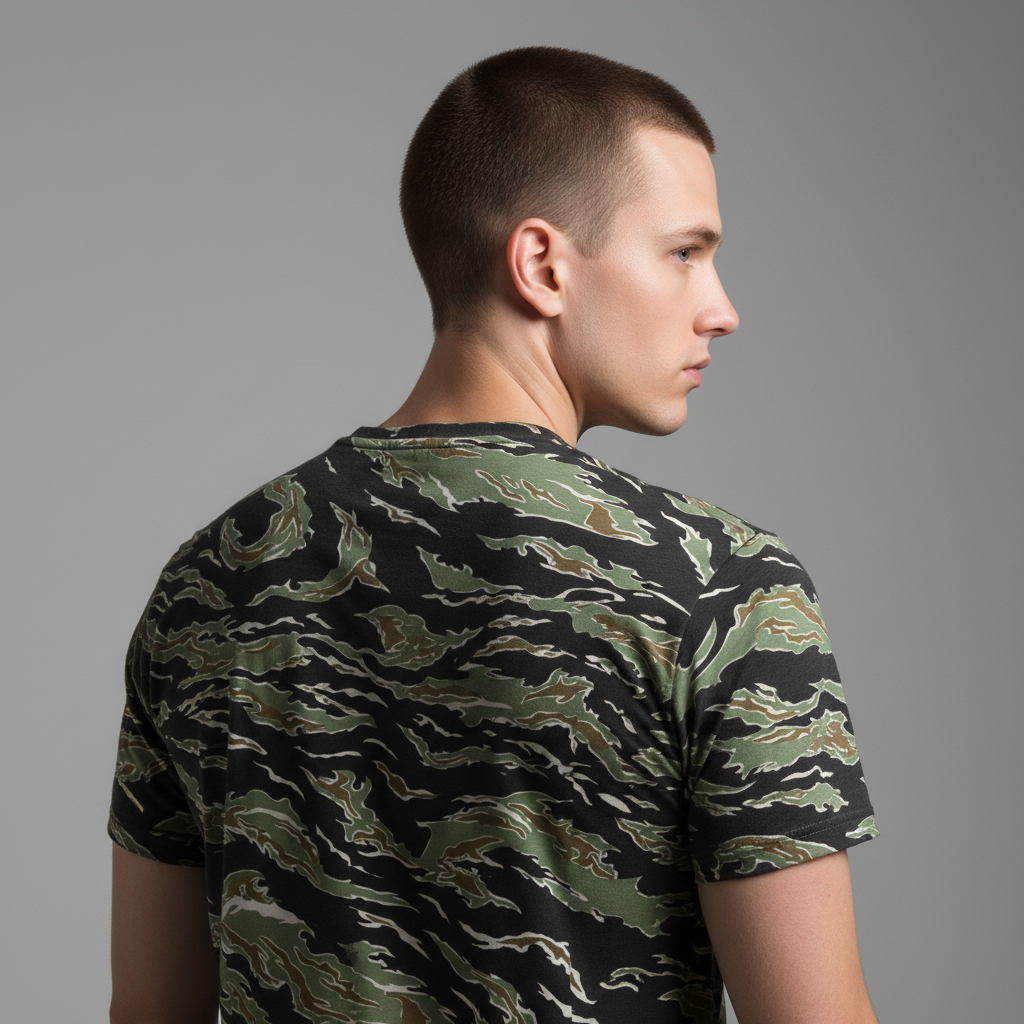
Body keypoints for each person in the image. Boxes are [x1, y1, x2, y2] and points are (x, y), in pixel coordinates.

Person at [109, 46, 880, 1024]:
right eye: (684, 252)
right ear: (542, 264)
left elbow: (145, 1007)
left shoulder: (209, 581)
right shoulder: (719, 589)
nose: (719, 308)